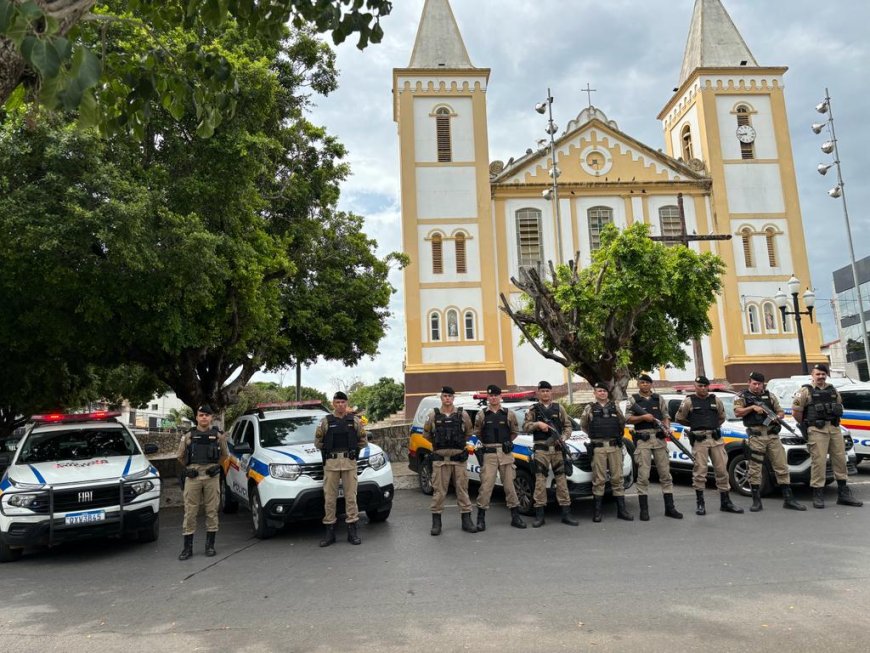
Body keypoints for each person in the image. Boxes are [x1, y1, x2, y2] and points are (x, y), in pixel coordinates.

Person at [792, 364, 863, 509]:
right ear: (812, 375)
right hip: (817, 430)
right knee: (819, 462)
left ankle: (843, 493)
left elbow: (838, 405)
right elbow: (796, 412)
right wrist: (808, 426)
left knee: (840, 460)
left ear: (826, 375)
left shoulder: (832, 389)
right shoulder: (805, 390)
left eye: (823, 374)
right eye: (818, 374)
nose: (820, 377)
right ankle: (818, 494)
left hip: (834, 428)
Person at [733, 371, 806, 512]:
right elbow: (738, 412)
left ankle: (789, 499)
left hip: (772, 436)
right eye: (754, 383)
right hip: (756, 436)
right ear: (749, 382)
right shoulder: (742, 396)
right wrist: (752, 408)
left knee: (781, 466)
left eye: (759, 384)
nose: (756, 386)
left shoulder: (770, 396)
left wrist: (775, 417)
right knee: (755, 468)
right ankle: (756, 501)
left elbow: (781, 412)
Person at [675, 376, 743, 516]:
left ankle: (726, 502)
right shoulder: (689, 401)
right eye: (700, 386)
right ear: (695, 386)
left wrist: (711, 425)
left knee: (722, 470)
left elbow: (721, 417)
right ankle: (700, 504)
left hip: (716, 439)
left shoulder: (715, 400)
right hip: (700, 440)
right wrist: (695, 425)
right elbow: (680, 418)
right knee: (700, 472)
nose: (703, 388)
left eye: (705, 386)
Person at [314, 391, 369, 547]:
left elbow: (363, 440)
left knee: (351, 497)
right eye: (337, 402)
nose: (340, 405)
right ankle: (329, 532)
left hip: (349, 463)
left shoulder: (354, 421)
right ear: (333, 404)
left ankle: (352, 531)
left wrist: (352, 449)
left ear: (347, 403)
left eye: (343, 402)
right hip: (331, 464)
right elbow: (318, 442)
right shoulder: (325, 421)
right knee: (329, 498)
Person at [625, 374, 683, 521]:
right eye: (642, 382)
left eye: (647, 383)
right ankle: (644, 510)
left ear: (651, 384)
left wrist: (666, 428)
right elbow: (627, 418)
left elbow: (665, 416)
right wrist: (643, 418)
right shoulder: (633, 400)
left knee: (665, 474)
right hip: (643, 439)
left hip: (659, 439)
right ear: (638, 384)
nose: (644, 385)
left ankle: (670, 508)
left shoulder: (659, 399)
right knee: (643, 475)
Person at [522, 381, 578, 527]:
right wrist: (537, 425)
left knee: (562, 482)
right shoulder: (533, 410)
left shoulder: (559, 408)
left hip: (558, 450)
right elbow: (526, 427)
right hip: (541, 450)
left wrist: (563, 438)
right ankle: (540, 515)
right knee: (540, 482)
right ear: (538, 393)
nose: (545, 393)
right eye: (543, 391)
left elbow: (567, 426)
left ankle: (566, 514)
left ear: (551, 392)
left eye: (547, 390)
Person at [176, 404, 228, 560]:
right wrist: (188, 468)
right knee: (190, 512)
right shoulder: (188, 435)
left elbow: (225, 455)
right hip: (193, 477)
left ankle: (210, 546)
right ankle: (187, 548)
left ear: (211, 417)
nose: (204, 417)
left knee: (212, 511)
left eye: (207, 415)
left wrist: (216, 467)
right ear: (197, 418)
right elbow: (180, 455)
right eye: (201, 415)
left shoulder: (218, 436)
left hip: (211, 477)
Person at [423, 386, 477, 536]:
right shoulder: (433, 414)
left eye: (450, 396)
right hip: (440, 461)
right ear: (441, 397)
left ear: (454, 398)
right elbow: (426, 434)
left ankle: (466, 520)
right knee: (439, 492)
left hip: (458, 460)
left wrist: (457, 445)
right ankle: (436, 522)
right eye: (445, 396)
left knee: (462, 490)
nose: (447, 398)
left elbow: (468, 433)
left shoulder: (463, 415)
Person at [473, 384, 526, 531]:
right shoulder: (482, 414)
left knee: (510, 486)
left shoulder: (509, 414)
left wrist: (509, 442)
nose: (493, 398)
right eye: (490, 395)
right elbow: (478, 432)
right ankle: (480, 518)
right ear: (488, 397)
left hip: (505, 453)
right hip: (489, 453)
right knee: (486, 486)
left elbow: (514, 431)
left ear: (500, 397)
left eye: (496, 395)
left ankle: (515, 517)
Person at [581, 382, 632, 522]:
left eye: (604, 391)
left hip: (614, 447)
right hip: (598, 448)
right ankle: (597, 512)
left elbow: (621, 423)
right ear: (595, 393)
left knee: (617, 478)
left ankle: (622, 511)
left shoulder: (615, 406)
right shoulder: (589, 408)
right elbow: (584, 426)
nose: (602, 393)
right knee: (599, 480)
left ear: (607, 393)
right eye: (599, 391)